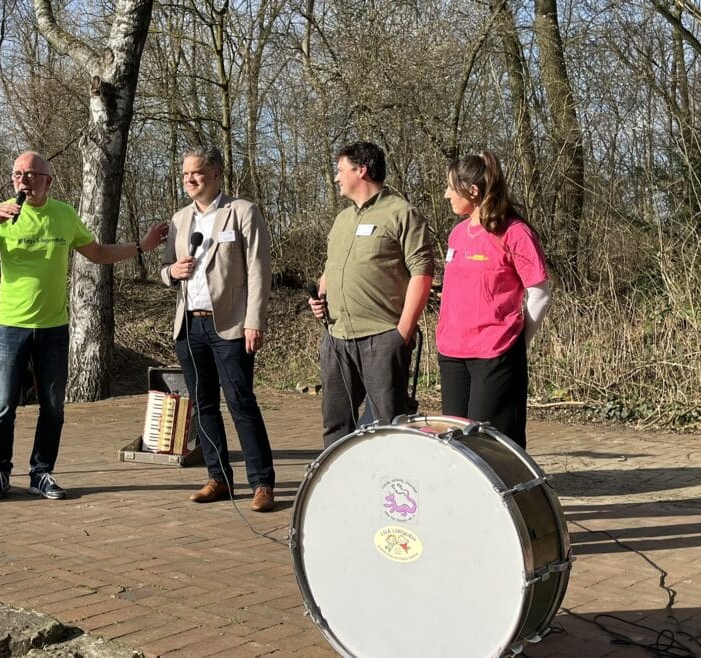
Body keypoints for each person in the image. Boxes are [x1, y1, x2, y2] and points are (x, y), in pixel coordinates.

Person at [0, 151, 168, 500]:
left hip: (53, 328)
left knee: (53, 406)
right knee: (3, 405)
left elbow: (97, 253)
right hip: (11, 326)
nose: (22, 180)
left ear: (47, 181)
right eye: (17, 174)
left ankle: (41, 473)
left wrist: (141, 247)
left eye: (30, 174)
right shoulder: (1, 214)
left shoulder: (64, 215)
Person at [160, 146, 277, 512]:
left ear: (215, 175)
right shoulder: (179, 220)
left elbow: (259, 270)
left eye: (195, 173)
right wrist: (171, 272)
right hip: (189, 326)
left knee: (241, 402)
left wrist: (254, 321)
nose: (189, 180)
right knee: (204, 405)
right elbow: (165, 269)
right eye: (184, 175)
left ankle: (261, 483)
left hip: (230, 325)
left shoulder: (241, 211)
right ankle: (218, 478)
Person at [308, 141, 435, 448]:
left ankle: (391, 492)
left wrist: (401, 333)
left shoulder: (402, 213)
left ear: (361, 170)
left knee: (388, 427)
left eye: (340, 170)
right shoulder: (342, 219)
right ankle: (342, 491)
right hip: (336, 338)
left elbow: (422, 273)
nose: (336, 178)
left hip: (382, 338)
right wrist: (320, 295)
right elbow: (332, 267)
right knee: (336, 425)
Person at [438, 151, 551, 448]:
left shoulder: (515, 232)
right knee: (457, 446)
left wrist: (516, 343)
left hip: (495, 355)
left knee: (490, 445)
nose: (446, 194)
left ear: (472, 191)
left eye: (451, 186)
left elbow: (540, 294)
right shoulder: (457, 234)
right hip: (452, 354)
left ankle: (504, 496)